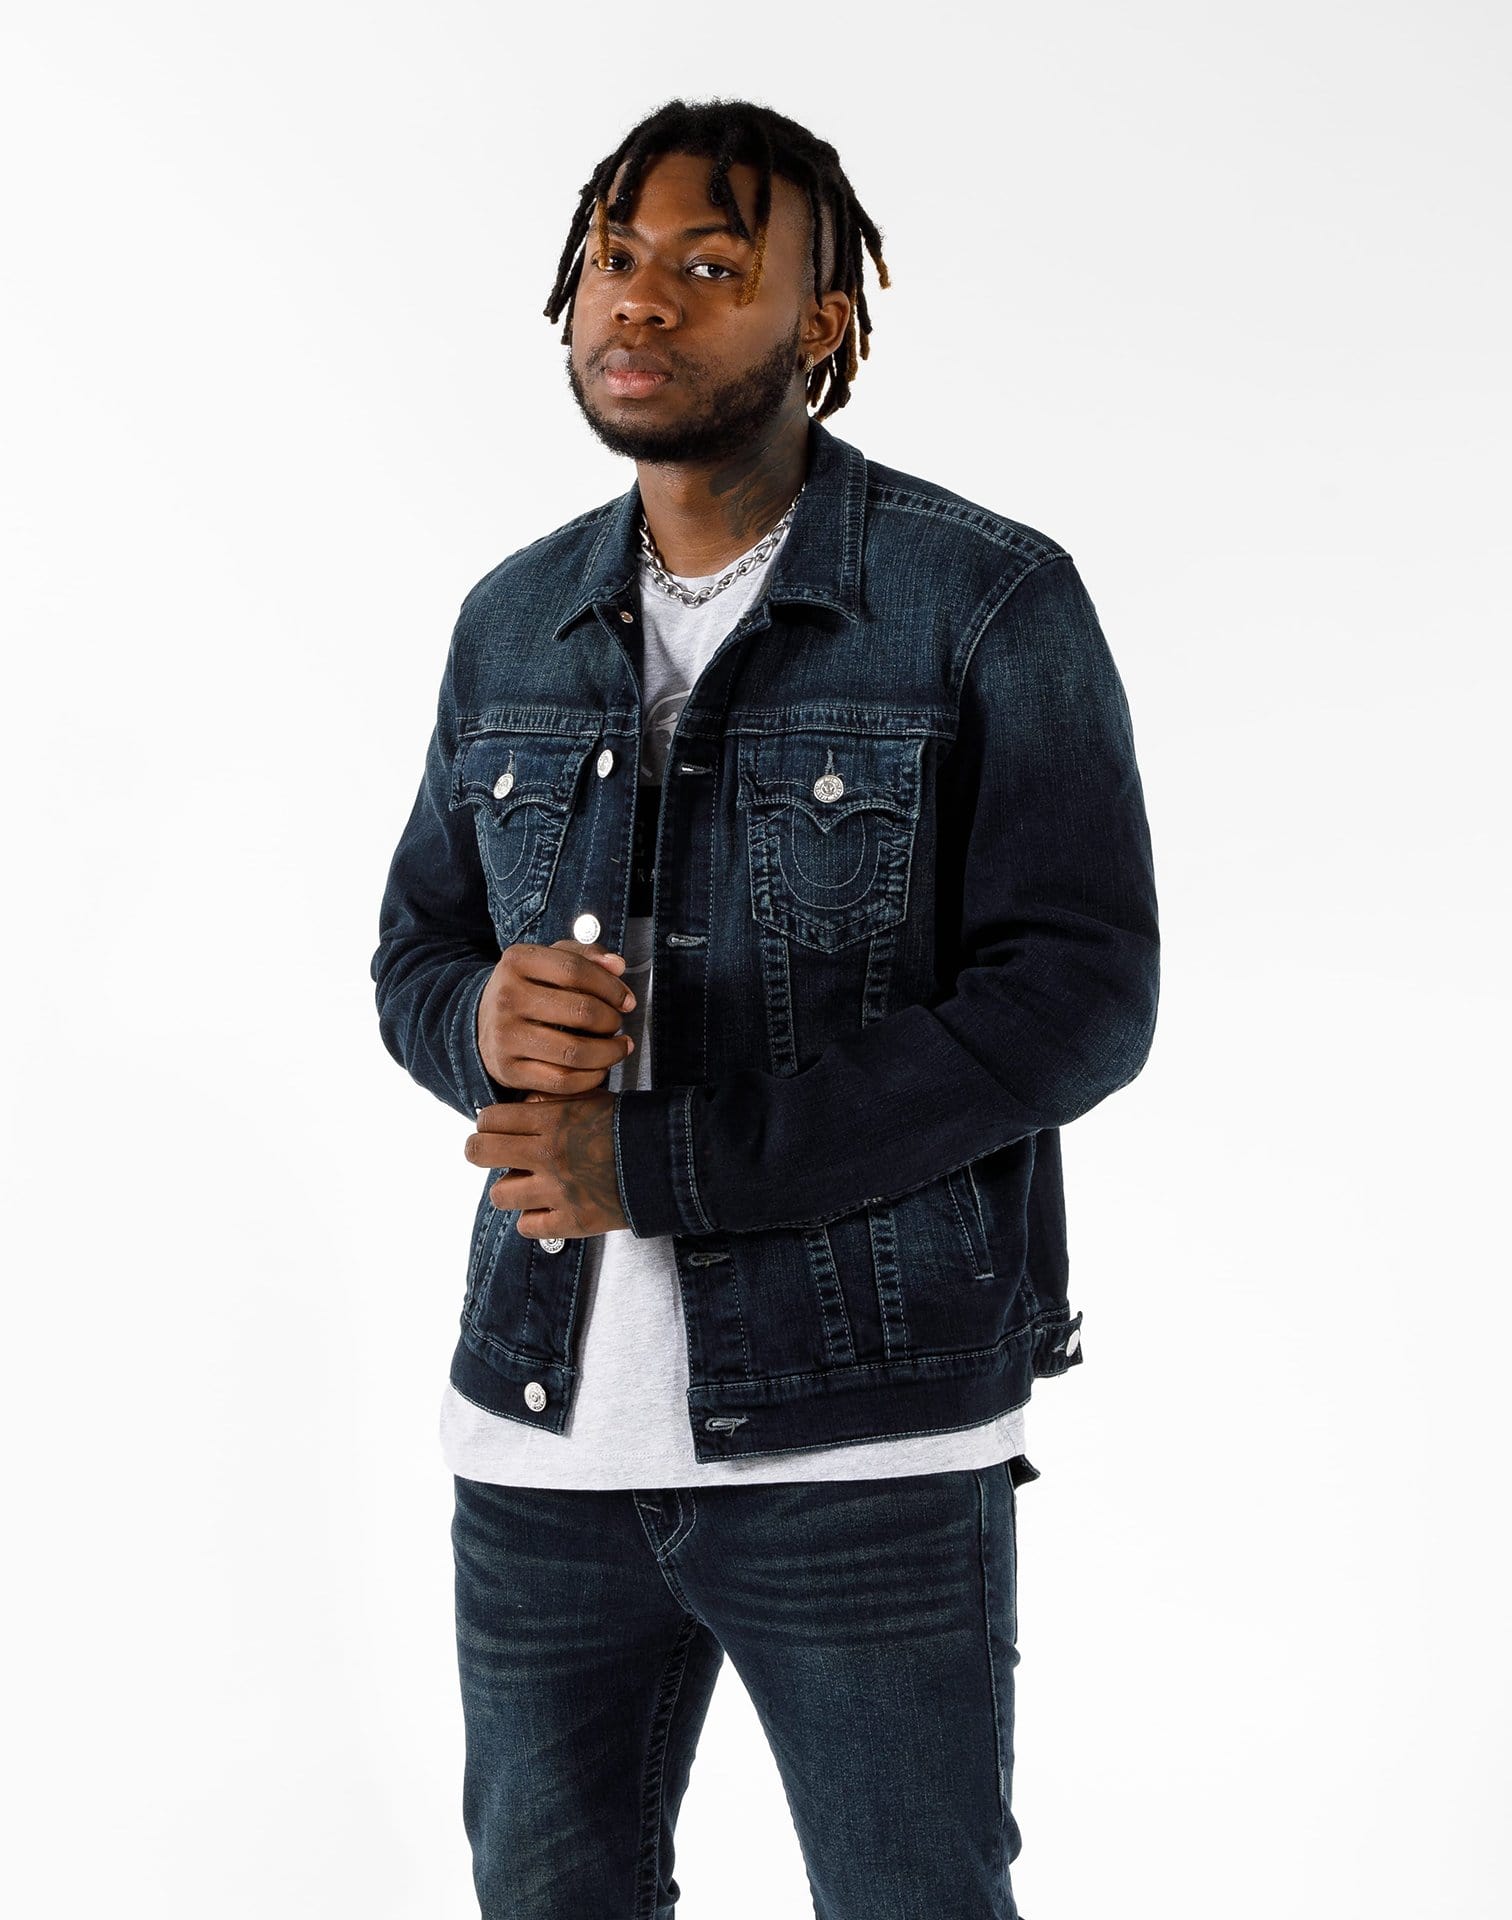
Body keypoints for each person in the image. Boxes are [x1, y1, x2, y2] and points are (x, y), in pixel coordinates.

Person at [371, 95, 1159, 1920]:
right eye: (615, 258)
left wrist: (672, 1163)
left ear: (822, 318)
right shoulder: (511, 618)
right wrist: (481, 1021)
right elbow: (413, 955)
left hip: (865, 1446)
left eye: (712, 265)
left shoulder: (983, 602)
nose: (639, 300)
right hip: (540, 1436)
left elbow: (1081, 998)